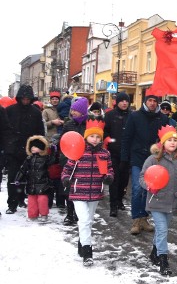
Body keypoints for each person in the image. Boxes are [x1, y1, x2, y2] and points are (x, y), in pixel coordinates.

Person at [140, 125, 177, 276]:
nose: (172, 142)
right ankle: (164, 261)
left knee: (161, 231)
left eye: (175, 140)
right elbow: (142, 177)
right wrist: (150, 187)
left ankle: (154, 252)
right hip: (156, 201)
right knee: (162, 230)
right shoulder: (153, 159)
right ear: (163, 142)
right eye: (169, 140)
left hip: (172, 202)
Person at [61, 119, 114, 267]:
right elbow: (67, 169)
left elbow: (109, 170)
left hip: (95, 191)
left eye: (98, 137)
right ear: (86, 137)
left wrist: (109, 177)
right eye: (92, 136)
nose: (95, 140)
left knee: (88, 222)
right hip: (78, 191)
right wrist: (66, 179)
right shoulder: (78, 151)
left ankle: (82, 241)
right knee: (84, 220)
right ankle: (87, 252)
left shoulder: (104, 153)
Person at [121, 93, 169, 235]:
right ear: (145, 102)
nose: (152, 103)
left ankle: (144, 218)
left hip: (155, 159)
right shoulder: (135, 116)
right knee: (137, 188)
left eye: (155, 101)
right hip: (137, 157)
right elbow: (127, 137)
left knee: (149, 190)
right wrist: (124, 158)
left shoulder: (163, 118)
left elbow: (166, 139)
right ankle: (136, 219)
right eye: (150, 100)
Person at [5, 85, 46, 214]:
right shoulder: (10, 110)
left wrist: (38, 147)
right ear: (19, 98)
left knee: (28, 177)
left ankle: (22, 199)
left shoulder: (35, 112)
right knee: (13, 177)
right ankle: (12, 203)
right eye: (23, 98)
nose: (25, 100)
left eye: (28, 98)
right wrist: (7, 145)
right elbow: (5, 130)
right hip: (13, 149)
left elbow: (40, 132)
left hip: (29, 149)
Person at [59, 97, 90, 225]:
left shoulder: (89, 124)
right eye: (72, 110)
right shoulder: (68, 124)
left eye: (76, 110)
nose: (73, 113)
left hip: (84, 160)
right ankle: (69, 213)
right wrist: (63, 158)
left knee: (81, 188)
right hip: (70, 159)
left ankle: (79, 214)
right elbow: (63, 141)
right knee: (69, 187)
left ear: (82, 111)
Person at [103, 92, 131, 217]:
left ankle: (120, 200)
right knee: (114, 180)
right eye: (122, 101)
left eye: (126, 101)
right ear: (117, 102)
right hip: (113, 153)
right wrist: (111, 142)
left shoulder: (132, 115)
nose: (124, 103)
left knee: (124, 180)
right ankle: (113, 205)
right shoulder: (110, 115)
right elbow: (105, 132)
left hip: (127, 153)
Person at [16, 135, 52, 221]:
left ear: (41, 148)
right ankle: (32, 215)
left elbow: (52, 162)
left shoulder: (46, 158)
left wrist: (53, 152)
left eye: (35, 146)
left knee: (42, 199)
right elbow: (23, 169)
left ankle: (44, 214)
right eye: (31, 146)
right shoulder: (29, 159)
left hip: (43, 183)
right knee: (32, 201)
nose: (32, 148)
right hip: (31, 183)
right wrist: (18, 179)